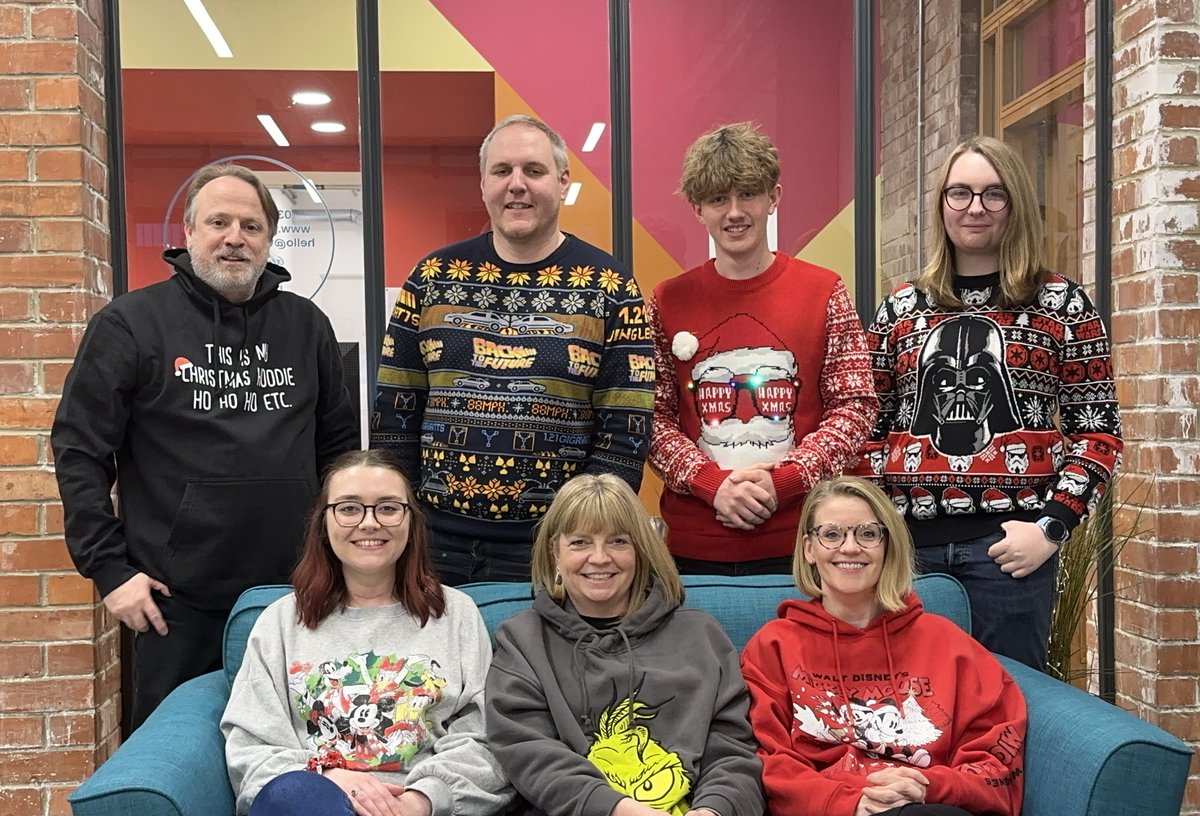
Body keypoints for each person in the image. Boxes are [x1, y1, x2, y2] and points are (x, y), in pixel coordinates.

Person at [52, 163, 359, 728]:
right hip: (176, 603)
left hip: (298, 593)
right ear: (189, 232)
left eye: (251, 225)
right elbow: (79, 451)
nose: (234, 237)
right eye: (218, 221)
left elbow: (339, 450)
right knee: (176, 757)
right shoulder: (130, 324)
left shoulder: (307, 325)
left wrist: (346, 561)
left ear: (269, 239)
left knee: (302, 745)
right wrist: (109, 571)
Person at [856, 135, 1122, 669]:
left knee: (1013, 708)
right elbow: (867, 427)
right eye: (960, 193)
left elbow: (1098, 429)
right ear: (942, 206)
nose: (975, 208)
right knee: (912, 709)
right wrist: (874, 534)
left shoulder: (1062, 304)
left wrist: (1051, 527)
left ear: (1014, 205)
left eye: (992, 194)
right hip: (911, 557)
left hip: (1010, 557)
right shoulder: (900, 309)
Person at [372, 115, 654, 586]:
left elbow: (625, 429)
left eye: (534, 171)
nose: (516, 185)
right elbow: (394, 415)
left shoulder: (611, 286)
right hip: (432, 543)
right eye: (502, 171)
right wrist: (400, 520)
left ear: (563, 182)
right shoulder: (431, 278)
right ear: (482, 183)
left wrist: (588, 537)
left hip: (556, 547)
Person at [221, 449, 511, 816]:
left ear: (411, 521)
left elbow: (489, 743)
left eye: (388, 508)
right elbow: (250, 754)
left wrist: (421, 801)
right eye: (350, 507)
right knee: (295, 794)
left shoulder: (455, 616)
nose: (370, 523)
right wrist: (330, 778)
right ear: (324, 522)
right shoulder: (280, 623)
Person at [486, 473, 781, 816]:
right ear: (555, 551)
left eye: (619, 541)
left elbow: (733, 749)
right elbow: (530, 756)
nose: (599, 558)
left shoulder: (700, 636)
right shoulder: (523, 641)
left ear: (642, 550)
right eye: (580, 542)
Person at [741, 475, 1026, 816]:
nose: (850, 547)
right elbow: (768, 764)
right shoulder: (774, 647)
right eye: (832, 534)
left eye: (867, 533)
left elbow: (997, 764)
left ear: (887, 545)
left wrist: (928, 787)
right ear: (809, 549)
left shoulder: (947, 644)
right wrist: (851, 804)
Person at [647, 122, 877, 576]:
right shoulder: (666, 301)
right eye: (717, 199)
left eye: (748, 194)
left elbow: (856, 407)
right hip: (695, 549)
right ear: (698, 208)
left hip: (808, 544)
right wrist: (711, 484)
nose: (735, 212)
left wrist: (785, 481)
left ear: (774, 197)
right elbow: (651, 417)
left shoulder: (824, 291)